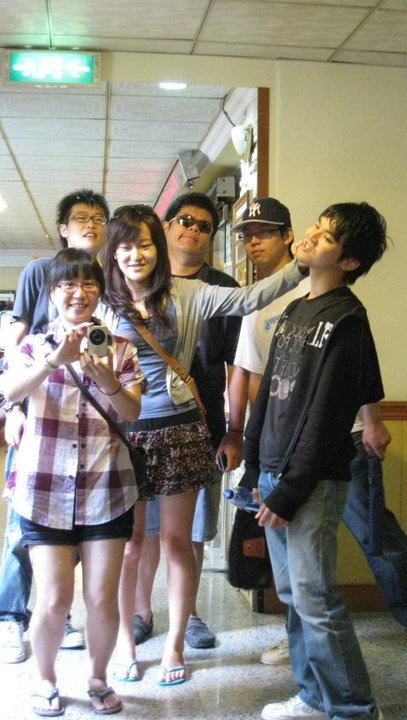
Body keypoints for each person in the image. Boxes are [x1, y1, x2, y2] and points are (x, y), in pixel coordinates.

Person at [228, 197, 407, 677]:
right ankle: (307, 657)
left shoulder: (343, 310)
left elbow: (358, 374)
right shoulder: (264, 303)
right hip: (283, 451)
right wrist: (251, 456)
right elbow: (257, 380)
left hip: (335, 442)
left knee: (373, 538)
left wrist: (372, 419)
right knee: (297, 581)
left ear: (287, 236)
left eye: (264, 232)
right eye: (247, 235)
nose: (253, 241)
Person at [97, 203, 306, 686]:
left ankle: (174, 645)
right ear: (113, 252)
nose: (135, 255)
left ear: (158, 247)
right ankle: (126, 642)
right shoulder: (103, 304)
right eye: (124, 247)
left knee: (178, 544)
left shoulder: (188, 293)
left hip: (180, 430)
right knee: (129, 546)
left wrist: (301, 265)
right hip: (125, 435)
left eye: (143, 245)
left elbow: (251, 297)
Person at [240, 201, 388, 720]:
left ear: (348, 261)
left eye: (325, 237)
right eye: (316, 228)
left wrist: (289, 489)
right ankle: (312, 695)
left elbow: (327, 418)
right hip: (274, 474)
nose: (309, 237)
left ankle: (355, 708)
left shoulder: (348, 321)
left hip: (312, 483)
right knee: (293, 593)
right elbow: (266, 399)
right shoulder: (294, 309)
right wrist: (254, 468)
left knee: (315, 598)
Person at [0, 247, 144, 716]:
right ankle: (45, 680)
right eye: (67, 284)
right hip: (44, 491)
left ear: (100, 292)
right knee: (52, 600)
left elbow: (132, 412)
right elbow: (10, 391)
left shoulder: (119, 348)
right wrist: (53, 360)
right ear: (51, 292)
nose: (78, 293)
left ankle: (98, 679)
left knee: (101, 599)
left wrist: (108, 380)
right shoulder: (31, 347)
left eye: (88, 284)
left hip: (107, 488)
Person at [0, 189, 110, 664]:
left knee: (78, 522)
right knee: (24, 524)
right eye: (80, 217)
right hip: (39, 416)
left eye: (98, 217)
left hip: (89, 425)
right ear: (63, 228)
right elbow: (16, 343)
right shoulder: (40, 272)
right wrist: (13, 408)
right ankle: (10, 616)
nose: (91, 224)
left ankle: (58, 614)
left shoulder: (110, 280)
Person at [131, 192, 242, 650]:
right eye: (184, 220)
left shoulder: (221, 287)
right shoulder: (140, 280)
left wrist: (235, 431)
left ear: (211, 236)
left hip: (204, 425)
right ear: (166, 226)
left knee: (191, 532)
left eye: (203, 225)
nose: (192, 229)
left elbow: (240, 365)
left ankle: (189, 614)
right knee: (143, 532)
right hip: (140, 427)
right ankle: (140, 611)